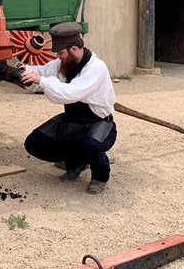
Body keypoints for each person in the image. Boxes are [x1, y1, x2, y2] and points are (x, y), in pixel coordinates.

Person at [19, 22, 117, 194]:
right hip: (72, 122)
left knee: (89, 145)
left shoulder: (96, 68)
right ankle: (76, 163)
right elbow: (41, 71)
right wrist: (23, 71)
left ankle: (100, 176)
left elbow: (70, 93)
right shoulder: (62, 63)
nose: (58, 56)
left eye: (61, 52)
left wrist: (40, 81)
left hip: (98, 124)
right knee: (34, 143)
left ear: (74, 48)